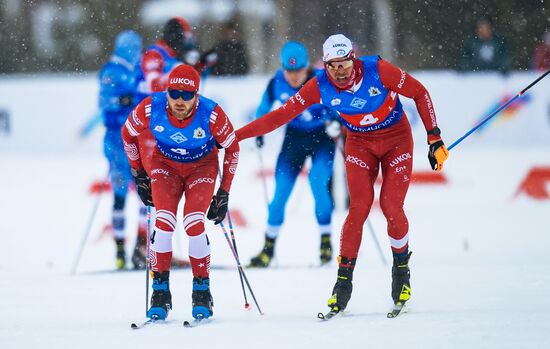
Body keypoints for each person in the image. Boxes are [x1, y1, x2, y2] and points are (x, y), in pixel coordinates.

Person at [235, 34, 449, 314]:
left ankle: (401, 272)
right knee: (358, 209)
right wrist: (234, 136)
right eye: (333, 65)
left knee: (391, 207)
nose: (340, 71)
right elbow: (279, 116)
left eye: (344, 63)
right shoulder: (318, 85)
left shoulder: (378, 69)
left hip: (396, 140)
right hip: (360, 144)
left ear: (353, 59)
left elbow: (419, 92)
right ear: (324, 65)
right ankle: (343, 284)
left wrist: (434, 138)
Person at [122, 64, 240, 320]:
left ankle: (201, 291)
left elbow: (233, 147)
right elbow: (127, 134)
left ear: (197, 95)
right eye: (174, 93)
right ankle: (160, 293)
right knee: (163, 222)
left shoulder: (211, 114)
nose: (179, 100)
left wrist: (224, 192)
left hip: (201, 167)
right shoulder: (151, 108)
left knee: (193, 223)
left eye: (187, 95)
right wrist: (138, 173)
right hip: (165, 166)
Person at [248, 41, 337, 268]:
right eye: (289, 71)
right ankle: (267, 249)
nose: (293, 77)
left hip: (321, 138)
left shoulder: (322, 80)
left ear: (307, 67)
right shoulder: (276, 82)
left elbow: (340, 105)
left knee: (318, 183)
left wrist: (337, 122)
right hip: (294, 140)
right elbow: (263, 106)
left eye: (298, 71)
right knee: (280, 196)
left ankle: (326, 242)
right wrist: (258, 130)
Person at [98, 30, 148, 270]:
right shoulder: (112, 70)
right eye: (134, 47)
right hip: (116, 141)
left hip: (135, 138)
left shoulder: (136, 69)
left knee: (143, 192)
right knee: (119, 193)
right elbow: (105, 102)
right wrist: (125, 100)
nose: (137, 51)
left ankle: (140, 247)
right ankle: (119, 250)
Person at [137, 16, 217, 96]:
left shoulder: (173, 54)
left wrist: (200, 65)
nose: (186, 41)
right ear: (175, 35)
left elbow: (187, 82)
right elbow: (153, 86)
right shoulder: (154, 54)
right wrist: (181, 71)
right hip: (147, 104)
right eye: (185, 37)